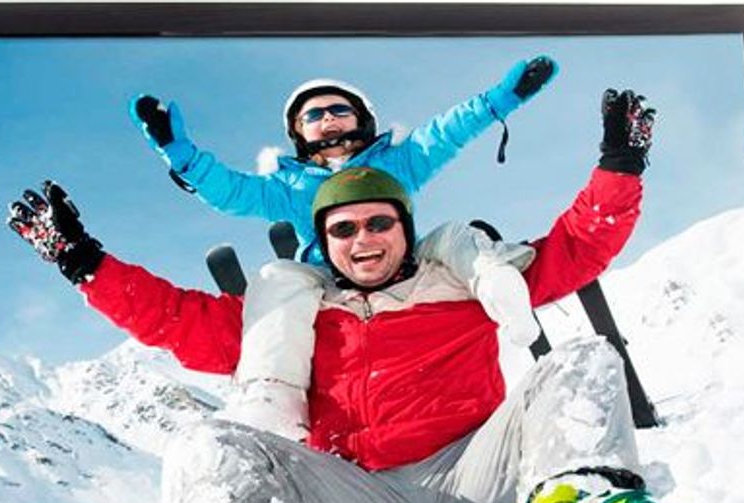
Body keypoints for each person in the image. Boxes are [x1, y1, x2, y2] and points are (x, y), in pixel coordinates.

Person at [8, 88, 659, 503]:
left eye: (379, 223)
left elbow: (576, 248)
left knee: (581, 360)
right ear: (324, 242)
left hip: (473, 476)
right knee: (206, 443)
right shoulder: (296, 313)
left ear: (405, 227)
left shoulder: (455, 280)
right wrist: (82, 261)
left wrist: (620, 165)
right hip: (359, 502)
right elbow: (172, 318)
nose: (363, 239)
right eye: (343, 229)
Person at [130, 62, 558, 438]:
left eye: (339, 109)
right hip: (329, 280)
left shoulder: (398, 161)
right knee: (280, 277)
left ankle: (502, 289)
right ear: (298, 132)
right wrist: (183, 158)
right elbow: (233, 192)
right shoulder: (290, 185)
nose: (327, 119)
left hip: (402, 266)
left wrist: (499, 101)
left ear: (362, 120)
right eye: (313, 115)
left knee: (455, 236)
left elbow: (447, 132)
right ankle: (274, 398)